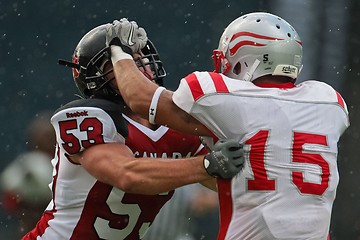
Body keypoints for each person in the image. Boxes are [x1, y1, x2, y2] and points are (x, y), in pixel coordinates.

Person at [104, 12, 350, 240]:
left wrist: (119, 50)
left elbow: (140, 99)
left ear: (244, 61)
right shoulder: (329, 102)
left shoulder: (225, 99)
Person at [22, 22, 243, 240]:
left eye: (141, 60)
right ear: (94, 78)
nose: (141, 69)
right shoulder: (86, 117)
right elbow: (127, 174)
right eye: (123, 61)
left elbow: (231, 184)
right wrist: (208, 165)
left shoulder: (172, 126)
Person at [0, 111, 55, 238]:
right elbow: (9, 196)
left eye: (49, 135)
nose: (47, 140)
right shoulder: (27, 162)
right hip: (30, 223)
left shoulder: (67, 161)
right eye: (43, 136)